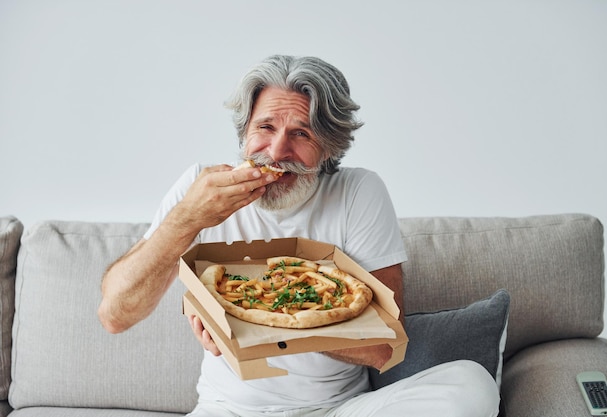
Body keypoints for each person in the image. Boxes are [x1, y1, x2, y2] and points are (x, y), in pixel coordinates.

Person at [98, 55, 499, 417]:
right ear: (244, 132)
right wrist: (186, 219)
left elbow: (382, 347)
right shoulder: (201, 188)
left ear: (328, 148)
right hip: (227, 409)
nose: (276, 151)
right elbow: (115, 315)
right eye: (265, 127)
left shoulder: (358, 192)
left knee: (471, 383)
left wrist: (250, 317)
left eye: (301, 134)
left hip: (337, 409)